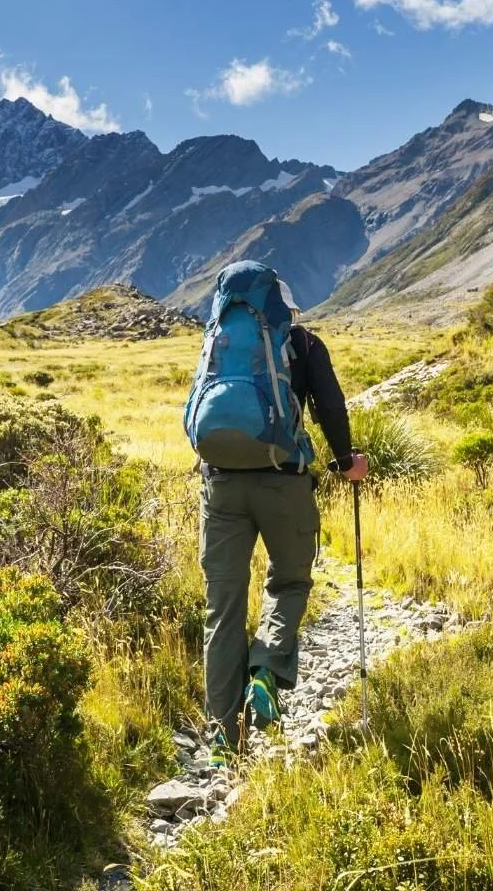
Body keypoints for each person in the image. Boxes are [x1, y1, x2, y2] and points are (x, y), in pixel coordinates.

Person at [190, 268, 367, 765]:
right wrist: (346, 461)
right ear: (283, 307)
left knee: (222, 610)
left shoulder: (219, 341)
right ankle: (266, 669)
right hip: (283, 481)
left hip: (220, 485)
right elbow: (331, 407)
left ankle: (223, 742)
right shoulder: (304, 343)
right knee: (289, 581)